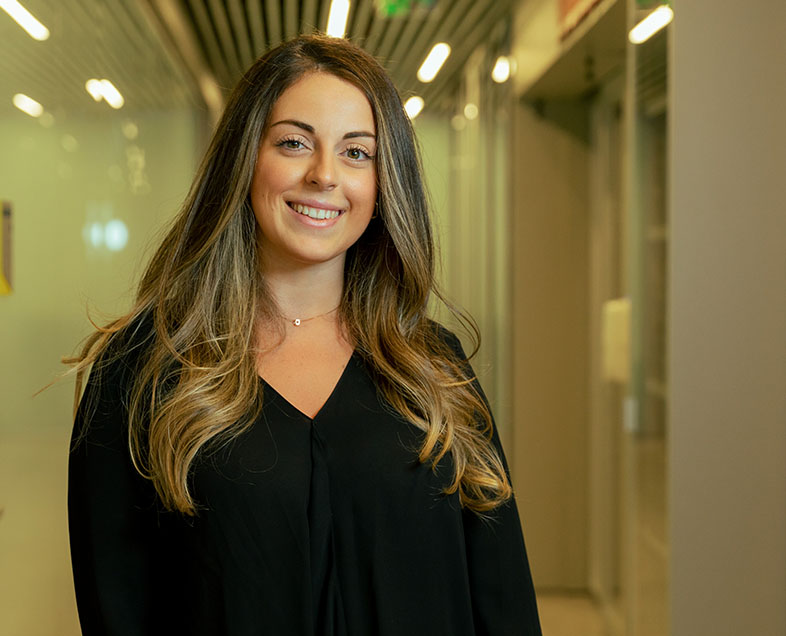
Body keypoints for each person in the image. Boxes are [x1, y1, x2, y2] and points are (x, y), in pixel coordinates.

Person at [66, 34, 541, 635]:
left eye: (357, 153)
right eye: (294, 143)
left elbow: (502, 598)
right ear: (245, 159)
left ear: (384, 182)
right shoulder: (140, 372)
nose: (324, 176)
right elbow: (116, 607)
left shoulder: (433, 369)